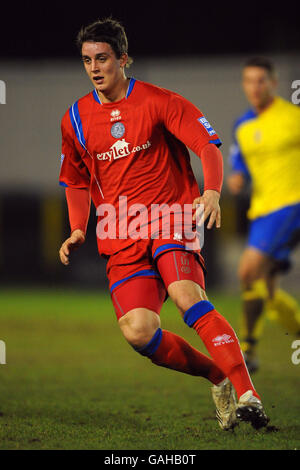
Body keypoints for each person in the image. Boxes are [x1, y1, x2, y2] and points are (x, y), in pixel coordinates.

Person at [58, 18, 269, 430]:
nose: (94, 68)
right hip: (121, 232)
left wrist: (210, 192)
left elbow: (206, 146)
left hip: (172, 218)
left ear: (122, 59)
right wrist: (79, 227)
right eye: (87, 60)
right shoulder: (76, 120)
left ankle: (249, 394)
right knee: (139, 332)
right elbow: (75, 179)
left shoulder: (161, 101)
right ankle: (218, 375)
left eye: (102, 58)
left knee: (188, 296)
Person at [227, 57, 300, 372]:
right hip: (261, 212)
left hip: (292, 204)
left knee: (247, 271)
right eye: (249, 81)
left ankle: (248, 349)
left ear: (273, 83)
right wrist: (238, 176)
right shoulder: (243, 126)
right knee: (268, 295)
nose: (255, 87)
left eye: (261, 80)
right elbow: (240, 161)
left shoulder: (293, 117)